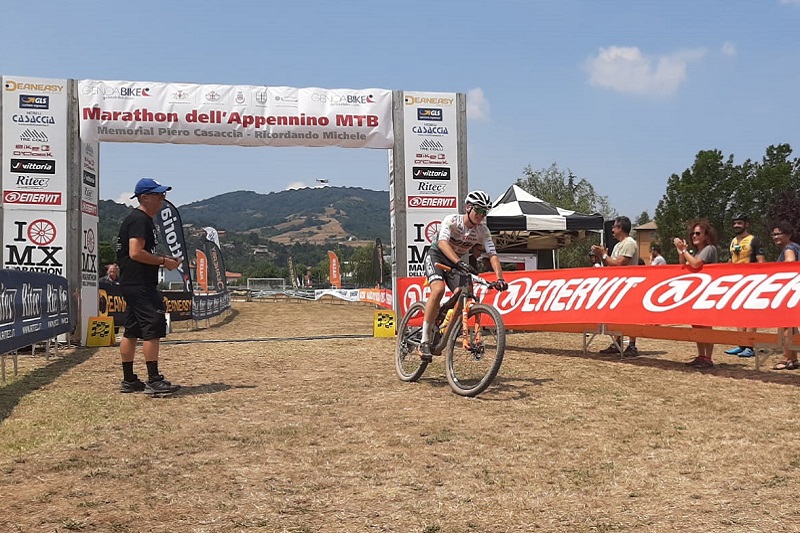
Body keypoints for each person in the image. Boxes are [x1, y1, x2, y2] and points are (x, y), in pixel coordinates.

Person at [419, 190, 509, 361]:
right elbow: (443, 243)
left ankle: (443, 334)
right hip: (437, 256)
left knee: (465, 299)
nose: (481, 215)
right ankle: (423, 340)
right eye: (479, 210)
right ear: (468, 207)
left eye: (485, 212)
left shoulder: (483, 230)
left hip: (457, 262)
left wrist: (500, 278)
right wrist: (458, 262)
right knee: (437, 290)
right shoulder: (452, 220)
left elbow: (493, 255)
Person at [116, 178, 183, 394]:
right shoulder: (140, 220)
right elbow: (136, 252)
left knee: (132, 329)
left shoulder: (139, 220)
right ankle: (154, 380)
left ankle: (129, 380)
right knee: (152, 327)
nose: (162, 198)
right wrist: (164, 261)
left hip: (132, 282)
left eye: (163, 194)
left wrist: (163, 259)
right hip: (140, 283)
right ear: (144, 197)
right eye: (158, 194)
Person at [591, 216, 640, 355]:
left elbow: (619, 264)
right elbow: (610, 264)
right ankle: (617, 342)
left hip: (629, 285)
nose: (612, 230)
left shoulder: (629, 243)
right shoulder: (618, 245)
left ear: (621, 228)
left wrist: (604, 256)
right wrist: (601, 255)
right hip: (619, 286)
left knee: (631, 317)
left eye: (614, 227)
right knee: (618, 315)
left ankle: (632, 345)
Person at [673, 219, 719, 368]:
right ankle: (701, 355)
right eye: (692, 233)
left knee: (706, 325)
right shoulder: (698, 251)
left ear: (706, 235)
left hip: (707, 291)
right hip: (697, 291)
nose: (694, 236)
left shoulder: (709, 248)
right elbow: (684, 265)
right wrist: (681, 251)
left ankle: (708, 357)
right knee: (696, 325)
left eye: (698, 233)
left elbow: (695, 264)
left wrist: (685, 251)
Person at [723, 213, 766, 358]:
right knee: (738, 314)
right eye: (735, 223)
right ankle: (741, 343)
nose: (736, 225)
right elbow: (730, 260)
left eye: (739, 223)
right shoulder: (733, 241)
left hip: (752, 281)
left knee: (751, 315)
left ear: (747, 224)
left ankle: (750, 346)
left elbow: (761, 261)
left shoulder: (754, 240)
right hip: (736, 282)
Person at [771, 221, 799, 370]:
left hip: (790, 292)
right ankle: (793, 358)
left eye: (778, 234)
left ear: (788, 235)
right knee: (792, 326)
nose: (775, 237)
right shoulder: (795, 247)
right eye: (774, 234)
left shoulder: (789, 248)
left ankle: (787, 358)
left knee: (785, 326)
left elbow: (790, 262)